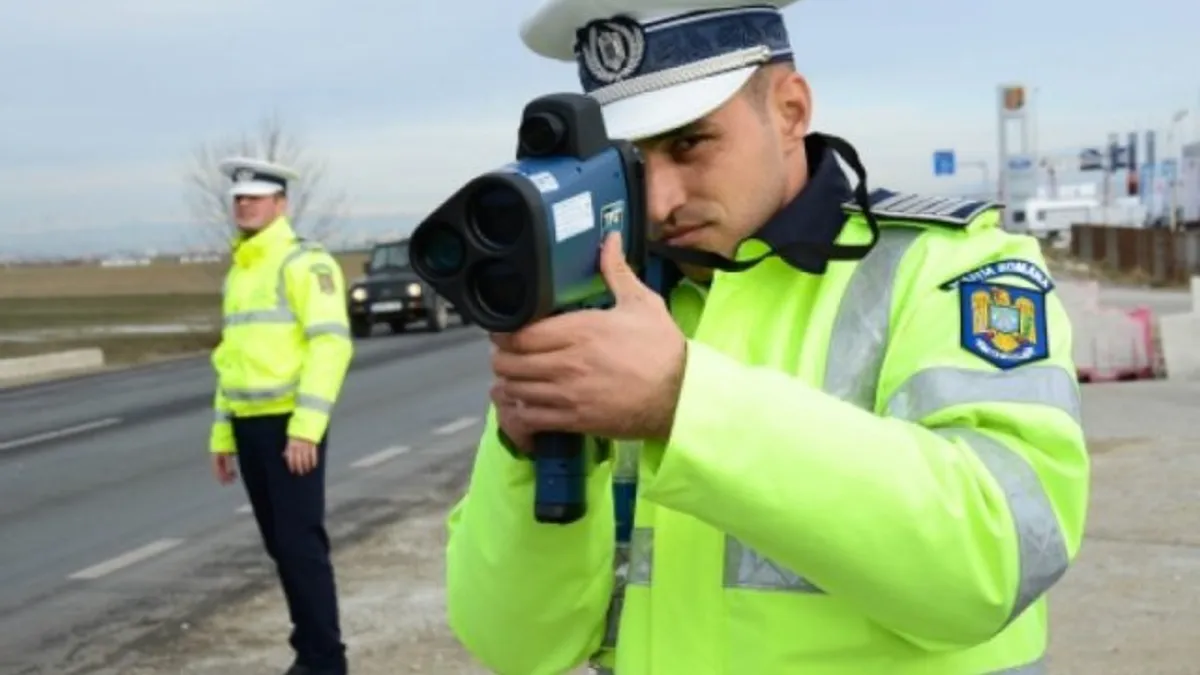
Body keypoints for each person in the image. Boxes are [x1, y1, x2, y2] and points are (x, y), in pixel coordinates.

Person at [444, 0, 1091, 673]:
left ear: (789, 110)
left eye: (690, 143)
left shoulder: (951, 266)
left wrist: (682, 402)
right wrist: (524, 457)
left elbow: (997, 559)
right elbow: (514, 644)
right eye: (630, 165)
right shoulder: (605, 312)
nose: (661, 201)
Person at [209, 156, 354, 675]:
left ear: (280, 203)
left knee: (300, 545)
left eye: (255, 196)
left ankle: (326, 661)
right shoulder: (241, 271)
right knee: (281, 547)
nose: (244, 204)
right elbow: (230, 359)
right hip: (249, 426)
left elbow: (331, 347)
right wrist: (222, 435)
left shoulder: (304, 263)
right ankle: (310, 652)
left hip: (290, 425)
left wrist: (306, 429)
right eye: (238, 198)